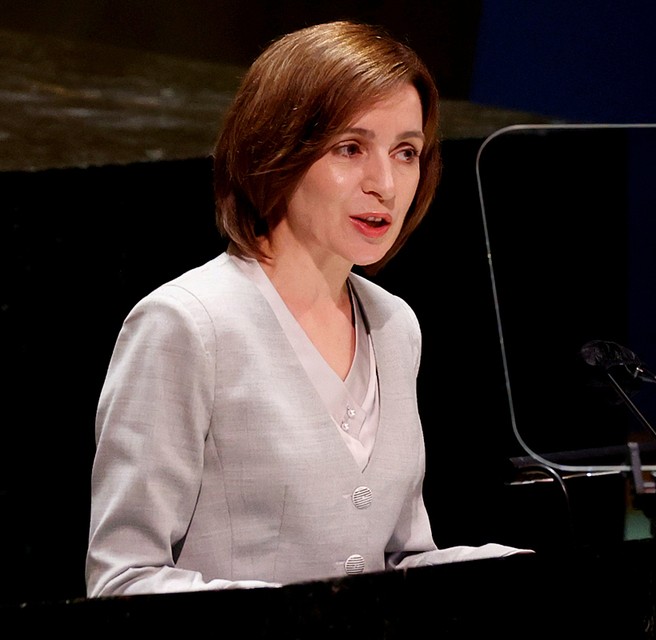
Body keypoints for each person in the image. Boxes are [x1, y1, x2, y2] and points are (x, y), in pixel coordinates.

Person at [85, 20, 528, 597]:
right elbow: (123, 579)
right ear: (276, 149)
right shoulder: (185, 324)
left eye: (406, 152)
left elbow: (394, 559)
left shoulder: (396, 325)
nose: (386, 184)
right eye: (351, 148)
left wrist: (506, 569)